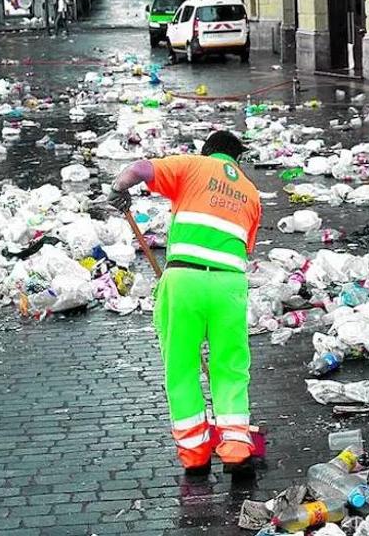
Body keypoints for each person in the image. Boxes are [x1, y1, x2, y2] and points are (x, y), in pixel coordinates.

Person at [109, 130, 261, 477]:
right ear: (235, 159)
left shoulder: (193, 166)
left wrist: (119, 190)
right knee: (230, 366)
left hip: (184, 281)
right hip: (230, 286)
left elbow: (139, 169)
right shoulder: (250, 191)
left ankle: (195, 454)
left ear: (207, 152)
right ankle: (237, 447)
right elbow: (244, 247)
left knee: (181, 368)